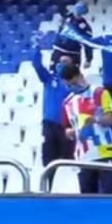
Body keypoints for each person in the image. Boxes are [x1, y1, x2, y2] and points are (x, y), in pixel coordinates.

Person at [60, 65, 112, 194]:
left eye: (74, 83)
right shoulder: (67, 102)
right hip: (83, 155)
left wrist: (96, 120)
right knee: (87, 195)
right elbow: (67, 128)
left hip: (105, 151)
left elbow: (111, 119)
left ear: (80, 76)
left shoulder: (100, 93)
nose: (72, 87)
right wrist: (69, 133)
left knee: (110, 192)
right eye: (68, 86)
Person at [30, 41, 73, 169]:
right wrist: (37, 48)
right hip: (49, 125)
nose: (61, 64)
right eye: (60, 62)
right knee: (48, 160)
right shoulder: (49, 79)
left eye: (65, 62)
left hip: (67, 126)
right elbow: (37, 65)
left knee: (66, 160)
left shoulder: (75, 84)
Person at [53, 0, 95, 69]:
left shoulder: (85, 27)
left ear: (84, 11)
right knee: (54, 74)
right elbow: (59, 4)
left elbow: (88, 44)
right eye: (78, 5)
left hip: (73, 54)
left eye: (81, 7)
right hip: (58, 51)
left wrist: (88, 59)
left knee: (72, 77)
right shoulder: (66, 16)